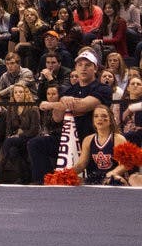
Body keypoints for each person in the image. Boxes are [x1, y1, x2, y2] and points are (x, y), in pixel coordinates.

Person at [28, 48, 113, 184]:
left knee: (93, 180)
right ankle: (44, 183)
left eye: (87, 65)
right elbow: (57, 118)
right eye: (80, 65)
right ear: (75, 68)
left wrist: (52, 104)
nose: (83, 68)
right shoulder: (70, 90)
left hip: (91, 137)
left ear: (95, 68)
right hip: (67, 137)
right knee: (36, 144)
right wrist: (64, 104)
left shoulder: (103, 89)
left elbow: (83, 106)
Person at [71, 105, 130, 185]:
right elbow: (81, 165)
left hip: (114, 179)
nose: (99, 119)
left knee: (115, 179)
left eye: (104, 116)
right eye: (96, 116)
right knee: (71, 181)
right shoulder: (88, 140)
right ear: (93, 120)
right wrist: (66, 174)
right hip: (94, 180)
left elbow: (125, 164)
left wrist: (110, 174)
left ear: (110, 120)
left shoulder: (118, 139)